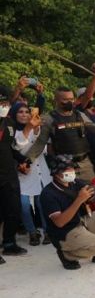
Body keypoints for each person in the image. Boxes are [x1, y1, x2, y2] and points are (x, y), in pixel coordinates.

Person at [40, 155, 95, 270]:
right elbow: (59, 222)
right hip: (65, 233)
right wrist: (79, 199)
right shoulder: (48, 193)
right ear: (55, 173)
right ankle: (68, 255)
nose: (71, 171)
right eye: (66, 170)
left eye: (71, 168)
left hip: (80, 221)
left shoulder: (74, 183)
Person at [25, 86, 95, 182]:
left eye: (71, 99)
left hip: (84, 165)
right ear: (56, 100)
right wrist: (26, 161)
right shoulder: (49, 119)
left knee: (92, 192)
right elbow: (40, 144)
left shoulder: (79, 115)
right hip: (63, 166)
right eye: (65, 99)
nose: (69, 102)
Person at [11, 103, 52, 246]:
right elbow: (19, 147)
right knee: (24, 206)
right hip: (22, 175)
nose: (24, 114)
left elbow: (45, 148)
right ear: (14, 115)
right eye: (20, 112)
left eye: (26, 112)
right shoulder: (13, 133)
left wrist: (36, 128)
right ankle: (32, 231)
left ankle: (48, 231)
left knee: (43, 204)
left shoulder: (39, 129)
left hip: (41, 173)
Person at [0, 86, 31, 263]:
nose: (3, 106)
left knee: (13, 210)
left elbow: (10, 148)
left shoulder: (9, 123)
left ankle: (10, 243)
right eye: (1, 103)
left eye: (5, 103)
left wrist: (22, 159)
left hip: (9, 174)